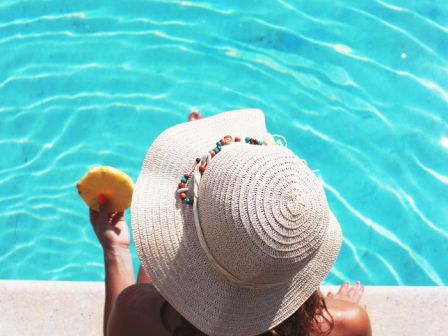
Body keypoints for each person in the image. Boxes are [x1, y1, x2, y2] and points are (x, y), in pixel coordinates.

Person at [89, 109, 372, 336]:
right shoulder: (348, 325)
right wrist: (340, 308)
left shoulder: (138, 316)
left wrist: (115, 251)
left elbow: (127, 320)